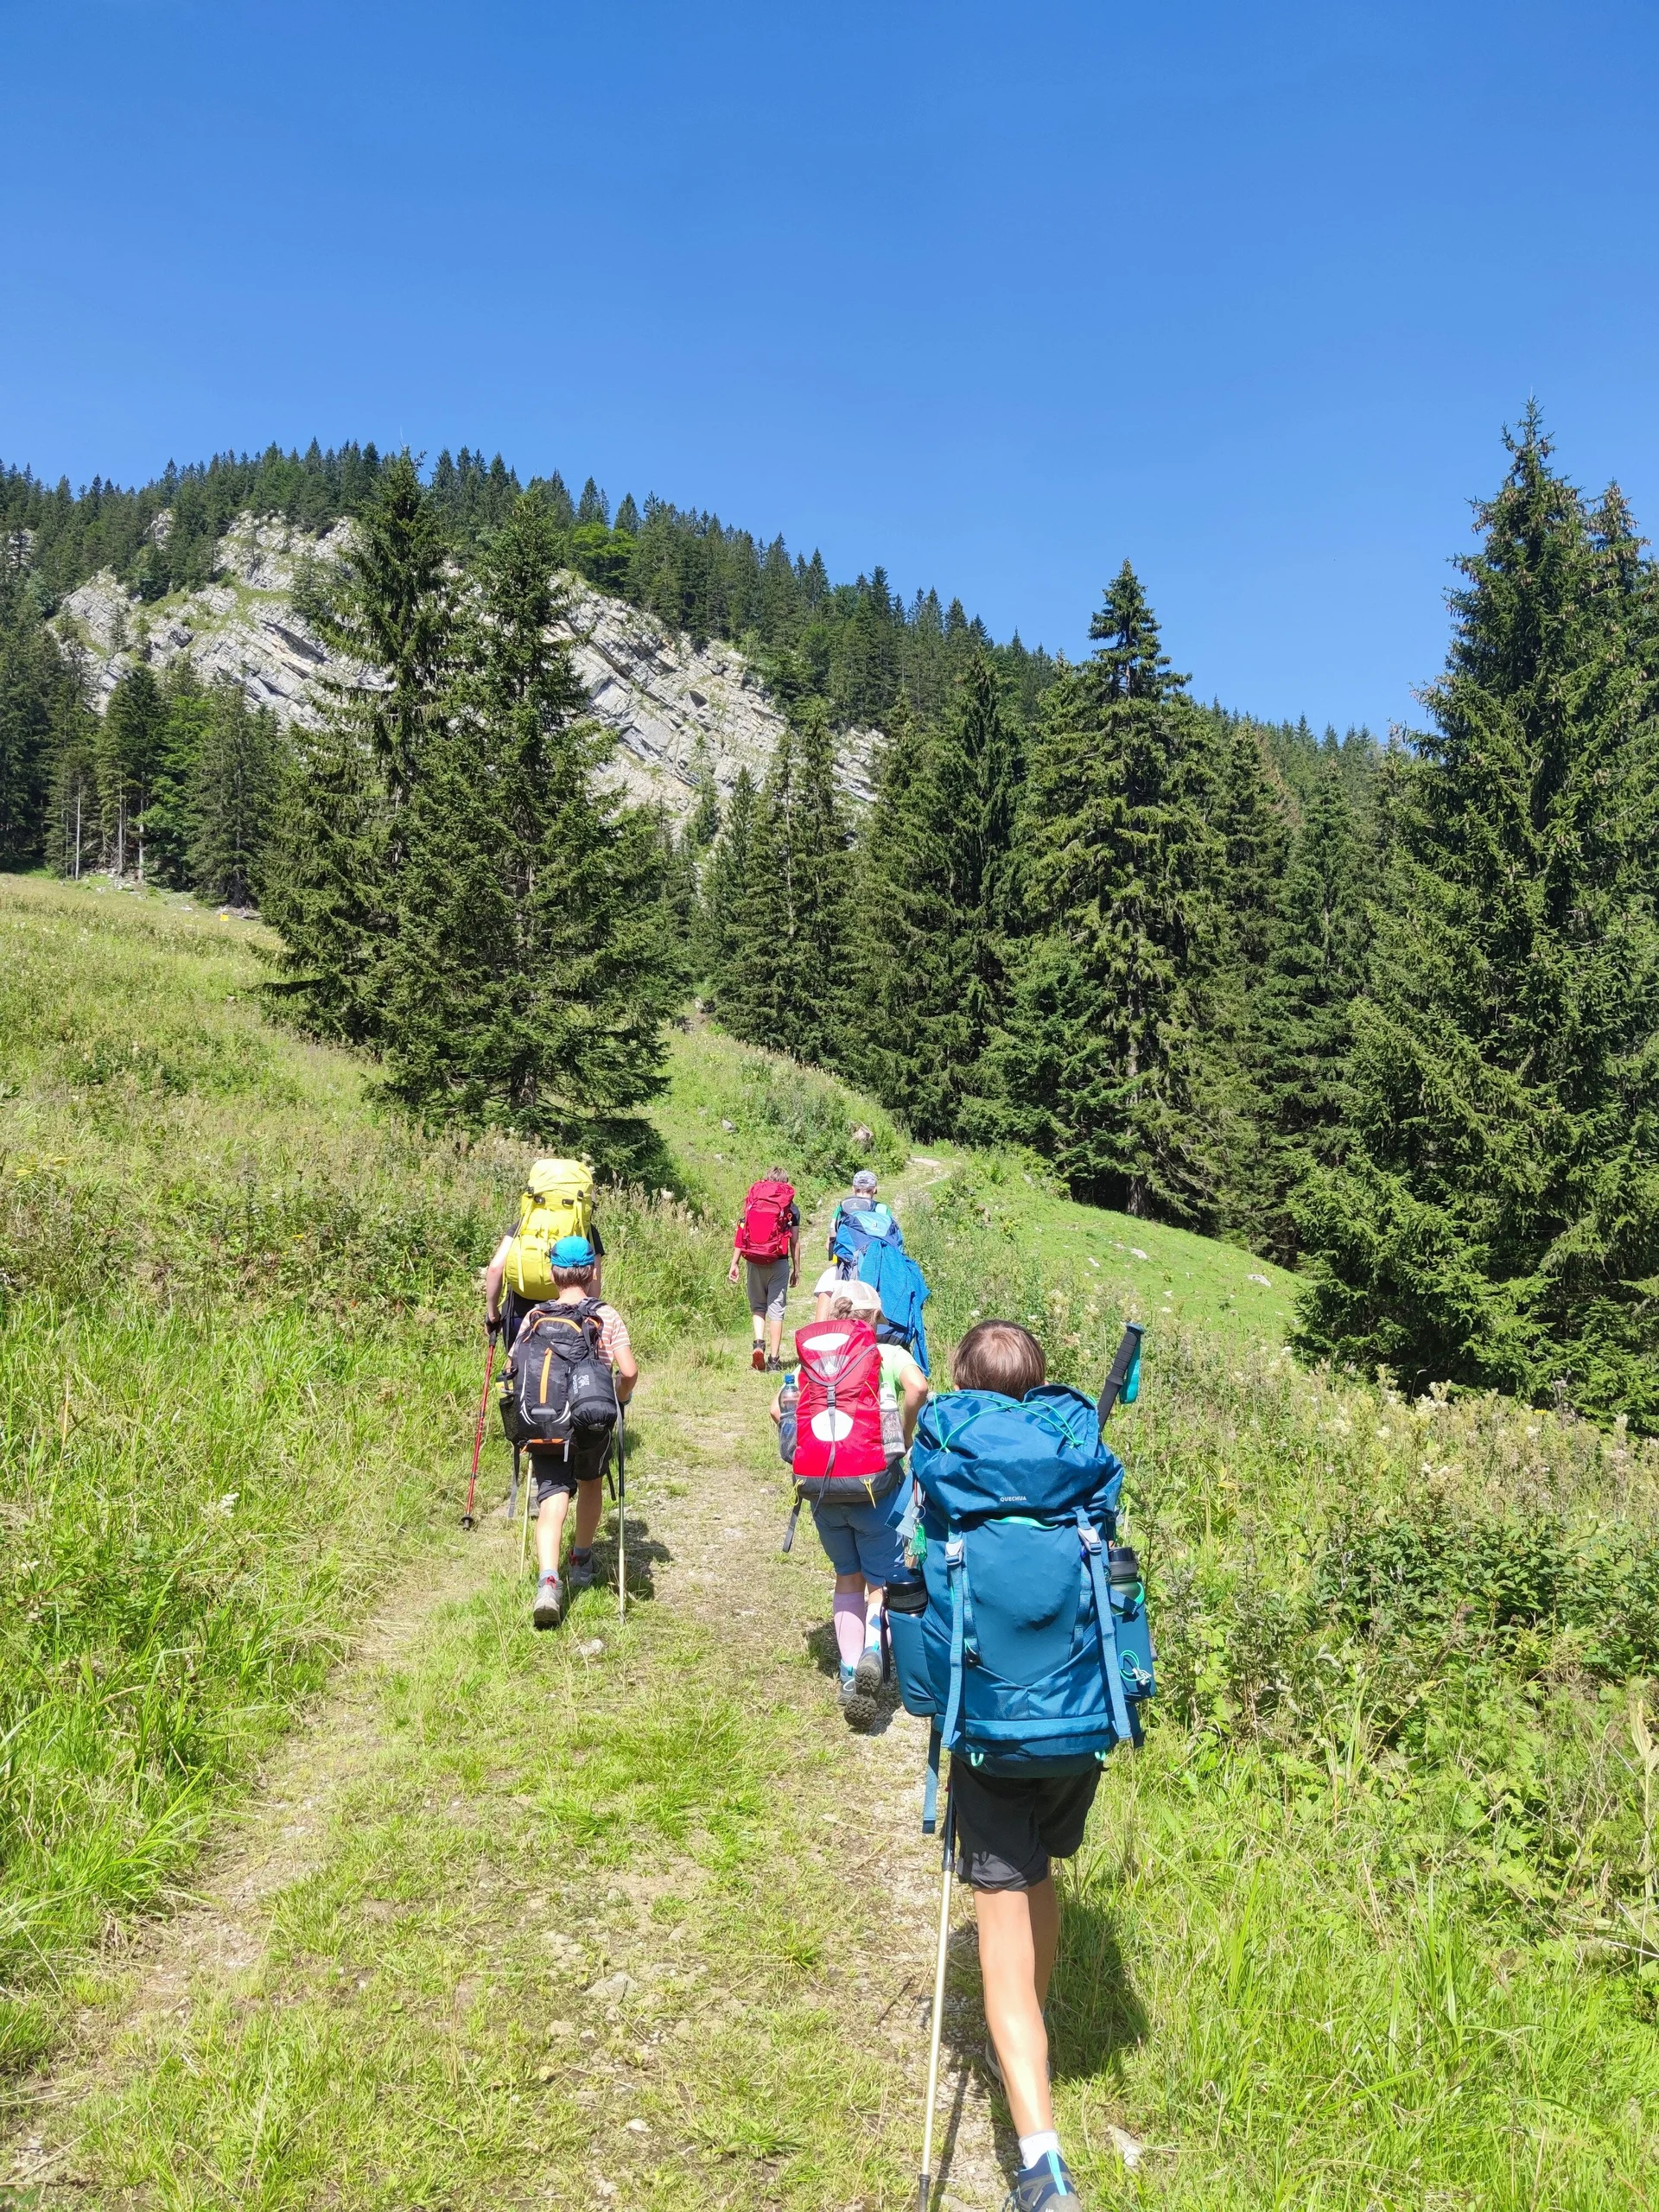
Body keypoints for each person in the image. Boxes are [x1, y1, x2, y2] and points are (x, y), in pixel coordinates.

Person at [945, 1319, 1090, 2211]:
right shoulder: (1076, 1455)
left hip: (994, 1729)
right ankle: (1027, 2037)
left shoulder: (952, 1461)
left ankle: (1041, 2166)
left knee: (1000, 1913)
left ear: (963, 1377)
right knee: (1042, 1869)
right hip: (1081, 1721)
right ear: (1039, 1382)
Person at [773, 1278, 928, 1728]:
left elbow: (777, 1409)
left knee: (847, 1576)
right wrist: (902, 1433)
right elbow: (917, 1388)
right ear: (874, 1319)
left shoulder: (813, 1364)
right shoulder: (887, 1354)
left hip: (822, 1487)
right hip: (876, 1486)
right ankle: (873, 1654)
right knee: (881, 1581)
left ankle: (846, 1672)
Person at [512, 1236, 637, 1630]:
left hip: (546, 1419)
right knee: (592, 1484)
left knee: (552, 1498)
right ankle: (581, 1560)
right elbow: (629, 1371)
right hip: (591, 1417)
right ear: (593, 1271)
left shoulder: (534, 1317)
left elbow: (515, 1367)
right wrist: (619, 1398)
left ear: (552, 1273)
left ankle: (549, 1581)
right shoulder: (606, 1316)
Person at [727, 1170, 801, 1371]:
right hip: (778, 1261)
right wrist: (796, 1269)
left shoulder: (755, 1200)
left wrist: (734, 1263)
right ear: (785, 1184)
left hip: (753, 1260)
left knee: (758, 1306)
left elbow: (742, 1232)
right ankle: (775, 1360)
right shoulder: (791, 1208)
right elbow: (794, 1242)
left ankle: (758, 1343)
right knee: (777, 1311)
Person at [825, 1166, 891, 1271]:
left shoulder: (842, 1207)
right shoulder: (882, 1209)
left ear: (853, 1189)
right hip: (874, 1264)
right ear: (875, 1190)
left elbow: (829, 1242)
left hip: (845, 1265)